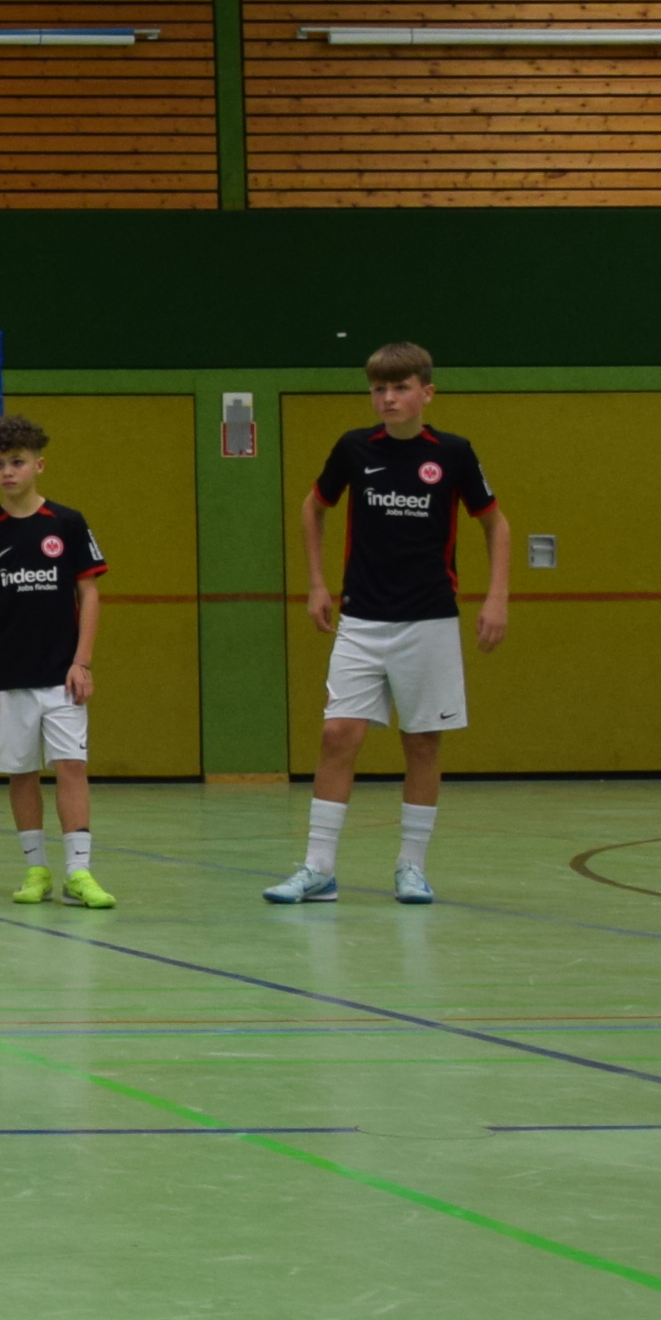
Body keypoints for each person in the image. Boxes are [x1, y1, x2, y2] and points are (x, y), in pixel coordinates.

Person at [270, 342, 510, 906]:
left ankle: (411, 867)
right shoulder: (355, 448)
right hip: (362, 619)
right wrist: (316, 583)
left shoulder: (453, 454)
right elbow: (313, 507)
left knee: (422, 743)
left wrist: (497, 597)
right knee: (338, 734)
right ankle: (318, 869)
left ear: (427, 392)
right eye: (379, 389)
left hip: (429, 620)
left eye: (401, 388)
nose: (388, 398)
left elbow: (495, 524)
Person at [0, 415, 112, 910]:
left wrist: (82, 662)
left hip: (61, 676)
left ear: (39, 465)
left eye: (17, 462)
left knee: (71, 766)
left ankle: (79, 872)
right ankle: (36, 869)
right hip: (8, 678)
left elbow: (89, 593)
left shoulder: (67, 523)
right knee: (21, 772)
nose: (8, 472)